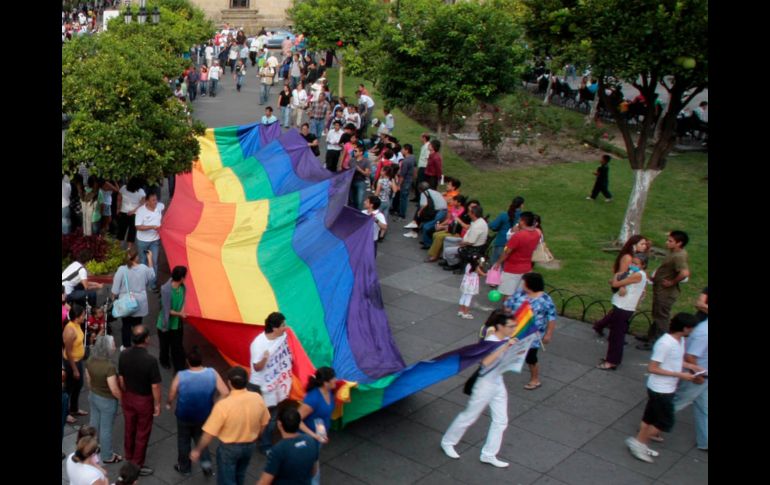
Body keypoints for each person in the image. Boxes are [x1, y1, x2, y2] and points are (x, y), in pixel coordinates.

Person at [441, 311, 519, 468]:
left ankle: (489, 454)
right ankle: (448, 442)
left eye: (514, 326)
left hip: (498, 382)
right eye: (511, 326)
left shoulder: (505, 339)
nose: (513, 329)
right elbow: (484, 362)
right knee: (470, 416)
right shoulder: (491, 341)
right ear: (499, 326)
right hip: (485, 384)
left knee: (501, 420)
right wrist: (505, 347)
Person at [625, 313, 705, 463]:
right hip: (660, 390)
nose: (693, 332)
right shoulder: (665, 344)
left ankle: (639, 443)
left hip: (664, 388)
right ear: (685, 328)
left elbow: (674, 361)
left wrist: (691, 366)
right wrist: (680, 375)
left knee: (649, 418)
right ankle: (638, 443)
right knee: (664, 422)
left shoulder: (679, 340)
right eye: (692, 329)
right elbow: (652, 368)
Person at [191, 367, 270, 485]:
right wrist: (257, 437)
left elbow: (208, 434)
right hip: (249, 445)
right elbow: (264, 422)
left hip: (229, 449)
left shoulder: (223, 406)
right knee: (240, 474)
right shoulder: (257, 398)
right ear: (246, 380)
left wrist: (198, 450)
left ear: (229, 382)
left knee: (226, 479)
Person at [166, 347, 229, 477]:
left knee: (183, 441)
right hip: (204, 415)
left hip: (184, 414)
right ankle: (206, 466)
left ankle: (184, 467)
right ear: (201, 360)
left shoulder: (181, 375)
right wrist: (215, 405)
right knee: (202, 439)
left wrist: (169, 403)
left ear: (188, 362)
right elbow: (225, 392)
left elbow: (172, 392)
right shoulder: (212, 373)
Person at [118, 325, 162, 476]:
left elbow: (121, 378)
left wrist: (125, 391)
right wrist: (157, 404)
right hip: (144, 400)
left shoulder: (123, 355)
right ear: (146, 339)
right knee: (142, 432)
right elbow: (155, 386)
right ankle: (137, 464)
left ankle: (129, 456)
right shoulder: (150, 361)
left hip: (128, 397)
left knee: (129, 428)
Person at [248, 312, 294, 455]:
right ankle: (259, 442)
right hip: (259, 386)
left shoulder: (282, 337)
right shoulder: (259, 344)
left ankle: (263, 443)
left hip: (273, 384)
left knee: (271, 417)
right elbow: (257, 367)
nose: (285, 328)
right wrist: (265, 359)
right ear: (274, 328)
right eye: (283, 326)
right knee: (263, 417)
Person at [502, 273, 557, 390]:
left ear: (530, 285)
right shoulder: (519, 294)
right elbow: (508, 306)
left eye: (524, 282)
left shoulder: (545, 299)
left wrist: (548, 334)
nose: (522, 284)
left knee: (531, 357)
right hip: (515, 331)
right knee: (505, 351)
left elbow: (551, 317)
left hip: (533, 336)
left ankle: (535, 379)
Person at [638, 230, 691, 350]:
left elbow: (684, 273)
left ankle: (658, 341)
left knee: (662, 317)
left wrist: (672, 282)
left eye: (671, 241)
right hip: (660, 289)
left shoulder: (679, 256)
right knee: (656, 314)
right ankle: (650, 335)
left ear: (679, 243)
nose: (667, 242)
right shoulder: (673, 252)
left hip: (666, 293)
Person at [595, 253, 649, 370]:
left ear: (643, 265)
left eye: (636, 263)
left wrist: (617, 277)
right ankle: (611, 358)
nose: (632, 265)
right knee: (615, 334)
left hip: (624, 307)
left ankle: (612, 361)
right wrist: (620, 282)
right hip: (620, 305)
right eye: (632, 262)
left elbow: (615, 282)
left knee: (616, 336)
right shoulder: (632, 273)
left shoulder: (638, 275)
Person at [257, 407, 320, 485]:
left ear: (279, 424)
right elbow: (314, 471)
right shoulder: (311, 441)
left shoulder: (279, 450)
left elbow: (264, 482)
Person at [85, 334, 123, 464]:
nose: (114, 347)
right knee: (106, 429)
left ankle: (91, 448)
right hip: (107, 400)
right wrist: (122, 399)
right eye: (113, 344)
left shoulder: (90, 359)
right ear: (107, 348)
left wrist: (94, 390)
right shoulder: (109, 367)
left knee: (94, 423)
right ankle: (107, 456)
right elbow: (114, 389)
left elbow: (89, 381)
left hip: (93, 396)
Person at [296, 367, 336, 484]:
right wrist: (314, 435)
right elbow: (297, 420)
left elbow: (321, 417)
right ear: (325, 382)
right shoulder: (313, 399)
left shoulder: (329, 391)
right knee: (309, 467)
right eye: (333, 378)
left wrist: (320, 435)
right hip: (308, 439)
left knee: (312, 463)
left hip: (318, 438)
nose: (336, 380)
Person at [111, 248, 154, 350]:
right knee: (138, 324)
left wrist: (113, 298)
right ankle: (138, 344)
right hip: (140, 303)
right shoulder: (143, 268)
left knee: (126, 325)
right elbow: (152, 276)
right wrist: (150, 259)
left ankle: (126, 346)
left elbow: (115, 289)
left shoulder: (122, 270)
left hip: (126, 303)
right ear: (137, 257)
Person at [493, 211, 540, 297]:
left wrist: (498, 262)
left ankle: (507, 310)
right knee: (520, 295)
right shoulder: (537, 233)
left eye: (520, 220)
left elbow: (507, 251)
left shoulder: (518, 236)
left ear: (523, 221)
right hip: (527, 268)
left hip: (512, 269)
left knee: (508, 295)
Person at [157, 265, 188, 372]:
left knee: (177, 346)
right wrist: (180, 314)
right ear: (182, 278)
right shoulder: (166, 290)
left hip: (177, 323)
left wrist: (182, 311)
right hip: (165, 324)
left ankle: (179, 367)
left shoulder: (183, 287)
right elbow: (167, 310)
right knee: (164, 346)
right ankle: (164, 361)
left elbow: (183, 300)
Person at [441, 204, 488, 270]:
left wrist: (461, 243)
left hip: (470, 248)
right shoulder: (480, 221)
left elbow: (470, 242)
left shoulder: (477, 226)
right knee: (447, 239)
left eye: (469, 212)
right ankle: (447, 260)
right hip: (468, 242)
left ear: (473, 214)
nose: (468, 213)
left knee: (447, 250)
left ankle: (453, 264)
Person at [63, 304, 89, 424]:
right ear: (77, 317)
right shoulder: (70, 330)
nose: (85, 317)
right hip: (71, 363)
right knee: (68, 389)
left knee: (78, 385)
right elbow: (68, 352)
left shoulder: (77, 324)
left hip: (78, 361)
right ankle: (66, 413)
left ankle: (74, 409)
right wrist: (74, 370)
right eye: (83, 315)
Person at [134, 192, 164, 291]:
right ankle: (143, 283)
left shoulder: (159, 206)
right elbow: (138, 227)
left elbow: (164, 206)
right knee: (143, 262)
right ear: (147, 201)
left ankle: (152, 284)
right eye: (153, 200)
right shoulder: (140, 211)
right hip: (143, 242)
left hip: (155, 241)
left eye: (156, 199)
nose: (156, 202)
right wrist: (151, 227)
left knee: (154, 262)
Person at [488, 196, 525, 264]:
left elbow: (493, 226)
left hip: (501, 243)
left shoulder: (504, 215)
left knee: (494, 266)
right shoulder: (523, 218)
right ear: (521, 205)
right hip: (515, 246)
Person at [116, 178, 146, 250]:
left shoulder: (123, 188)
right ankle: (129, 248)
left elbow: (119, 199)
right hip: (134, 214)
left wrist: (118, 209)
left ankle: (117, 248)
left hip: (123, 212)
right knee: (132, 232)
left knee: (121, 230)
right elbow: (142, 204)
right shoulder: (141, 191)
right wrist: (133, 211)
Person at [349, 145, 371, 209]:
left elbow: (367, 174)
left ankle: (358, 213)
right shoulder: (352, 160)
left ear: (361, 152)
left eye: (356, 151)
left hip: (360, 182)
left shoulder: (366, 161)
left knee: (359, 200)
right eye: (354, 151)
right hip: (352, 181)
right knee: (351, 200)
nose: (354, 152)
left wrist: (360, 170)